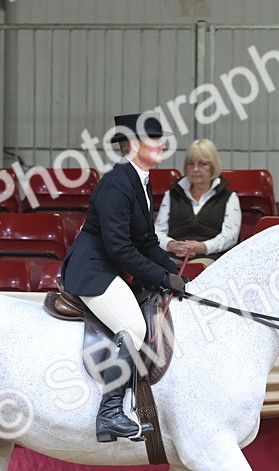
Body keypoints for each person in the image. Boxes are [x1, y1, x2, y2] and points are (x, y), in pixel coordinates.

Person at [60, 111, 186, 443]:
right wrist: (160, 276)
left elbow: (146, 242)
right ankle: (110, 413)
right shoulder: (116, 183)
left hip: (110, 266)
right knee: (133, 326)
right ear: (132, 144)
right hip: (93, 271)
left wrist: (174, 273)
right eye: (154, 138)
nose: (162, 143)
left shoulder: (142, 181)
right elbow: (119, 248)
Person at [154, 139, 242, 266]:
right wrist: (171, 245)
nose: (195, 169)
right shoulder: (171, 195)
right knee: (156, 270)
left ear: (213, 166)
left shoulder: (229, 197)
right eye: (190, 164)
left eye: (203, 164)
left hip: (210, 256)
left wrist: (203, 247)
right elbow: (157, 232)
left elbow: (230, 237)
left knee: (196, 271)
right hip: (173, 255)